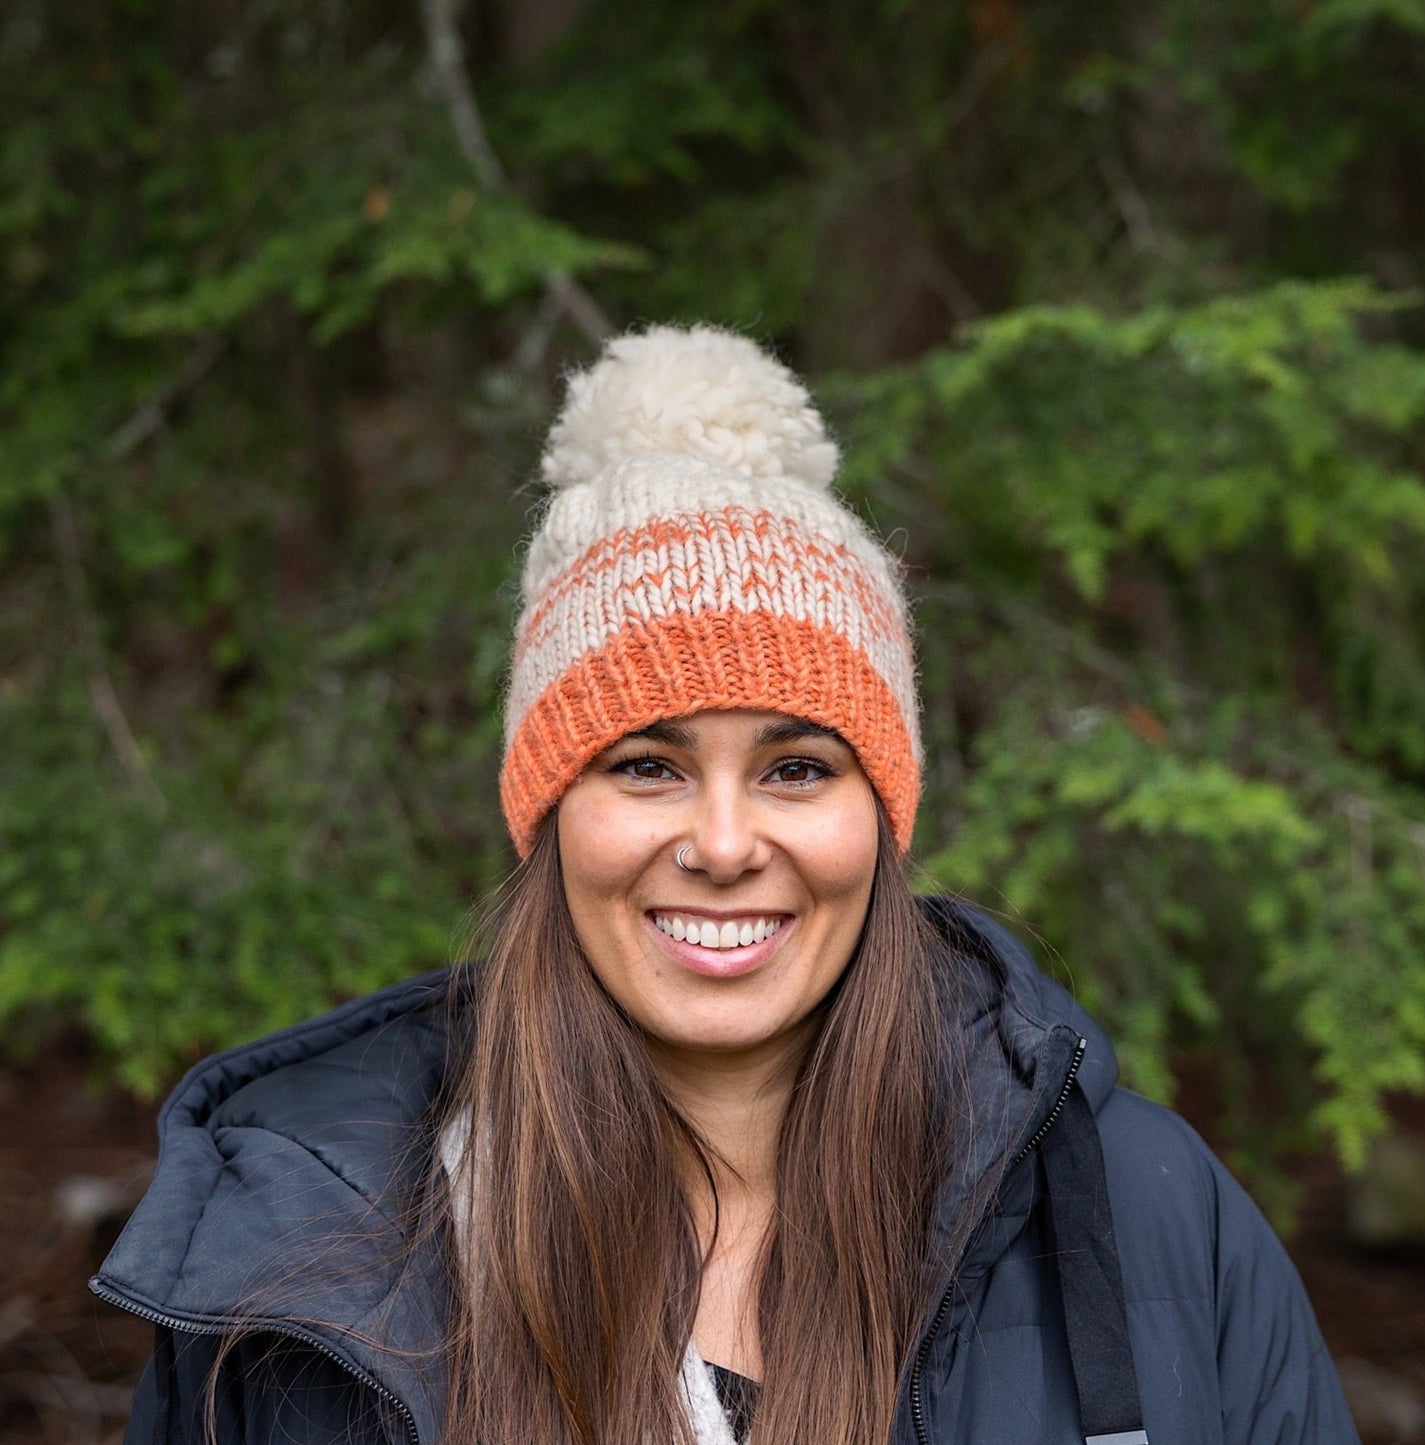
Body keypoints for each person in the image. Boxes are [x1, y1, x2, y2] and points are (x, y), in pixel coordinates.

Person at [94, 325, 1359, 1444]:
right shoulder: (306, 1255)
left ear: (882, 815)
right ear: (546, 812)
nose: (720, 838)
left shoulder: (1145, 1212)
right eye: (645, 764)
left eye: (796, 766)